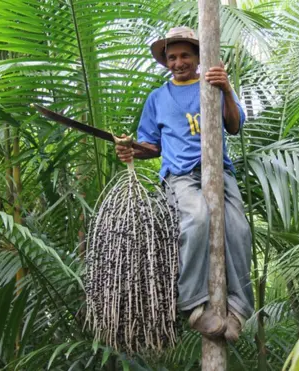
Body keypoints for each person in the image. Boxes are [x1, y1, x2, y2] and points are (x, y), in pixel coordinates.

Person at [114, 26, 253, 342]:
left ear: (198, 57)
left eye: (185, 55)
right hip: (180, 176)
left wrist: (227, 89)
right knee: (197, 218)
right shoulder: (158, 98)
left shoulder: (213, 85)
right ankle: (192, 305)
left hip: (219, 172)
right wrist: (130, 147)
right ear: (165, 62)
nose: (178, 62)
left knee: (239, 231)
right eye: (172, 57)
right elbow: (152, 145)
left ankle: (238, 311)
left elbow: (234, 125)